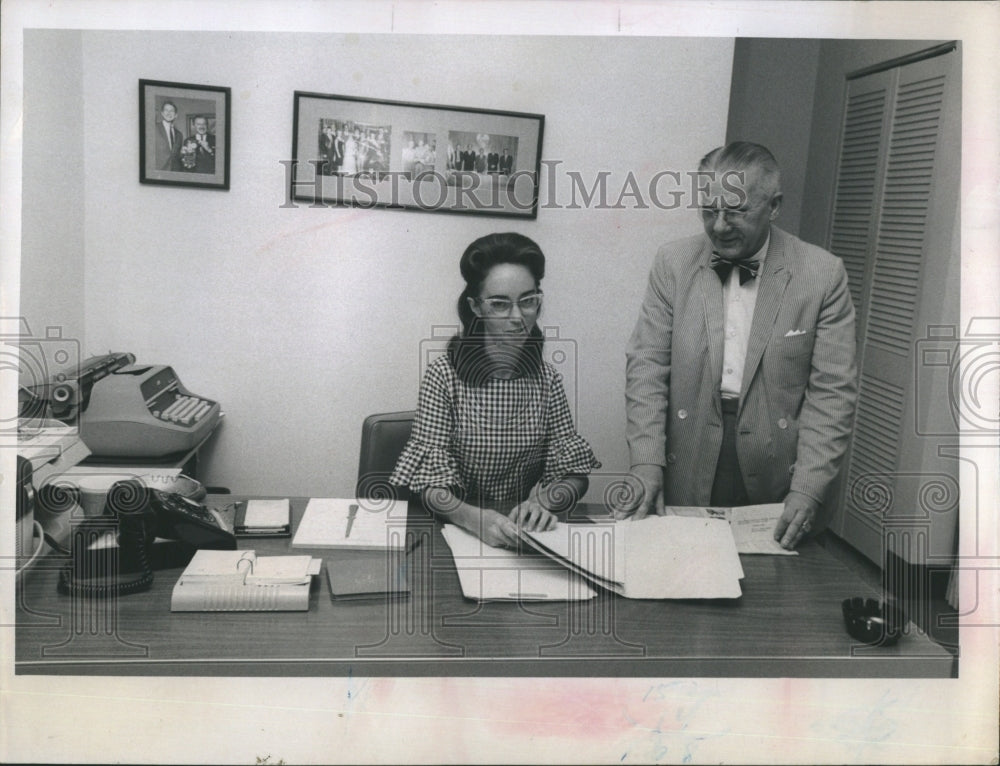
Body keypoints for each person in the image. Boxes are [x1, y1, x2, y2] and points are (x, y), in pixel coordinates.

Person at [620, 141, 858, 550]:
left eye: (735, 211)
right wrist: (646, 460)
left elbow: (832, 394)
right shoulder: (672, 263)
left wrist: (808, 487)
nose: (719, 226)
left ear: (774, 206)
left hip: (781, 465)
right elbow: (646, 366)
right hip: (689, 451)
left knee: (773, 582)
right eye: (708, 210)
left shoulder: (823, 274)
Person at [390, 233, 601, 547]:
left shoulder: (547, 380)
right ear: (476, 307)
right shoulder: (443, 375)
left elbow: (575, 475)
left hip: (518, 531)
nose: (518, 318)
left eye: (528, 301)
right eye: (500, 304)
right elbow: (429, 486)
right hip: (454, 529)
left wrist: (545, 503)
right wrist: (472, 518)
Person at [153, 100, 183, 171]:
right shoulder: (154, 128)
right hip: (158, 170)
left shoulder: (179, 135)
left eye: (171, 111)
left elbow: (176, 156)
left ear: (176, 115)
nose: (169, 113)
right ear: (162, 113)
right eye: (166, 110)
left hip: (175, 171)